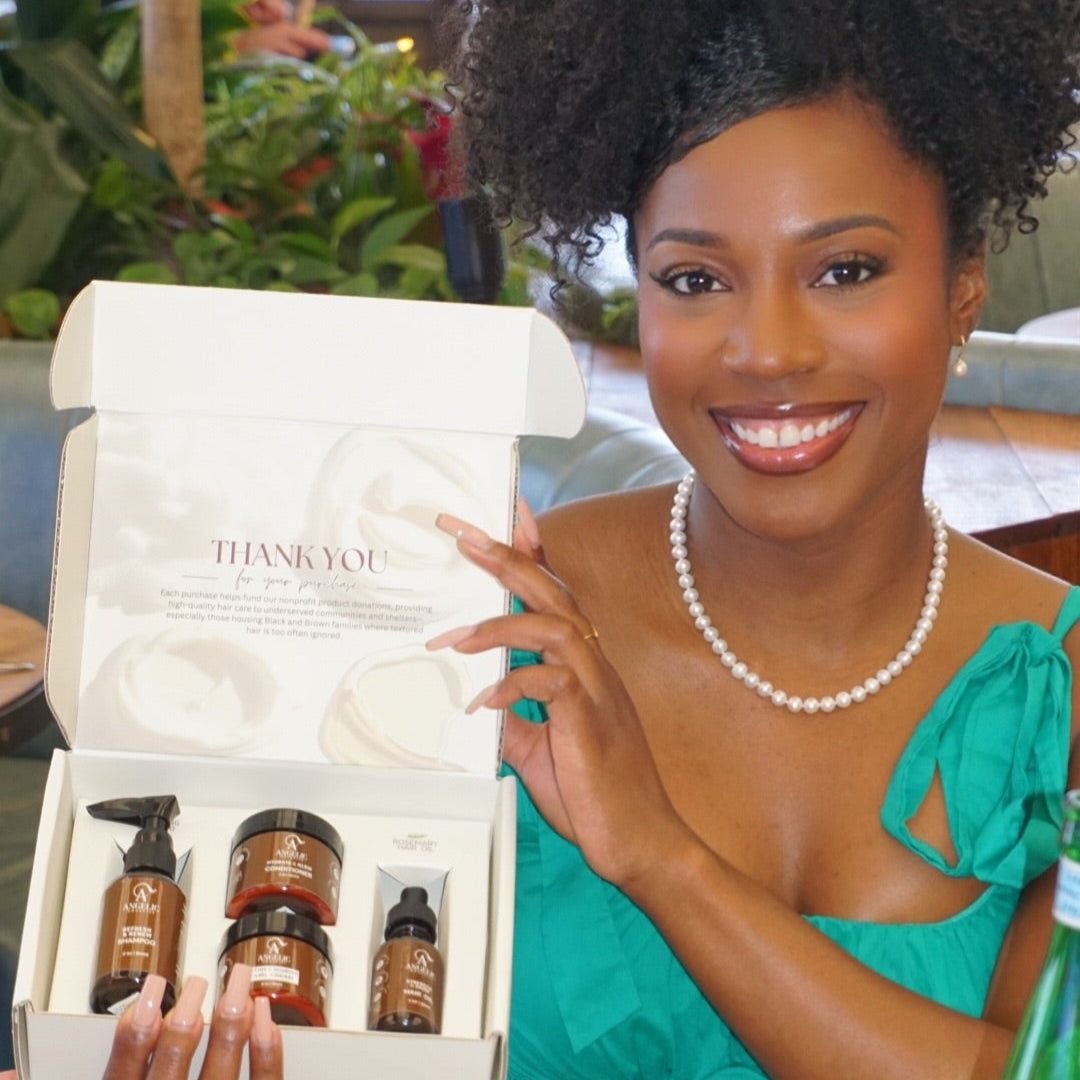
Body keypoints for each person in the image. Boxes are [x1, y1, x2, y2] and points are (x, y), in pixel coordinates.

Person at [13, 1, 1080, 1078]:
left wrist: (659, 854)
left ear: (965, 284)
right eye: (695, 279)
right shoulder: (490, 616)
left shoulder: (1065, 685)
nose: (768, 351)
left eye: (844, 269)